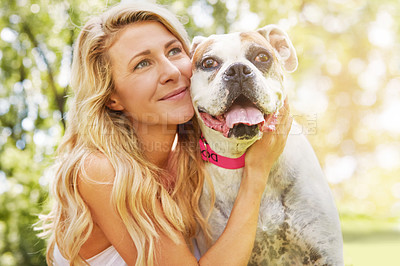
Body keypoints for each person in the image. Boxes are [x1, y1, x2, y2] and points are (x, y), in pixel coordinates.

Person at [37, 2, 293, 265]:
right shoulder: (99, 171)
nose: (171, 72)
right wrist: (256, 174)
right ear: (112, 97)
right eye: (142, 64)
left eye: (173, 51)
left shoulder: (196, 160)